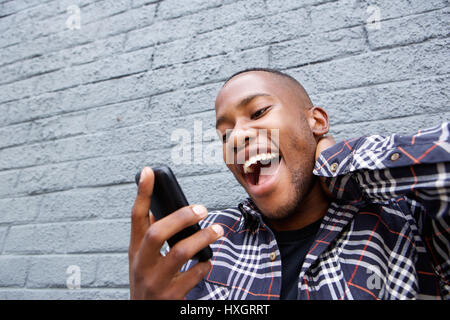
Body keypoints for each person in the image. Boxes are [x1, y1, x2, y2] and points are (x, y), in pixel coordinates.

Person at [128, 68, 449, 300]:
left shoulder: (408, 224)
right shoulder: (208, 244)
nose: (236, 137)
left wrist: (335, 163)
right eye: (224, 135)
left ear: (317, 122)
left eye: (258, 111)